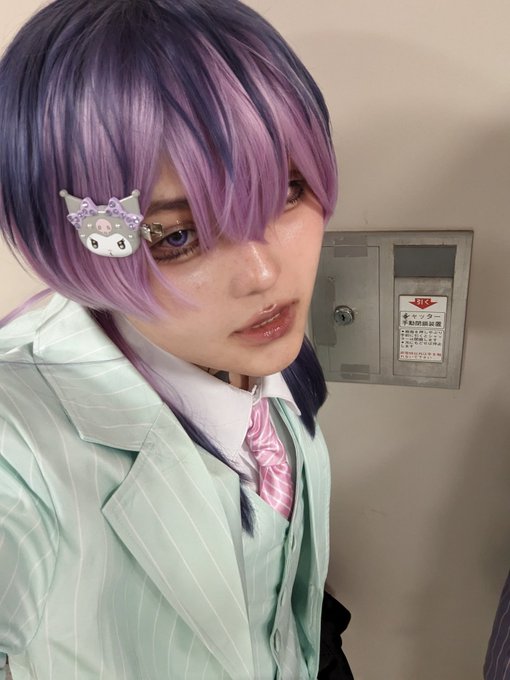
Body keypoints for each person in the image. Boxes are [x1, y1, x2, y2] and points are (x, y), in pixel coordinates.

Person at [0, 0, 351, 678]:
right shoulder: (18, 444)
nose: (264, 275)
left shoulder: (262, 345)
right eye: (177, 235)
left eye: (285, 193)